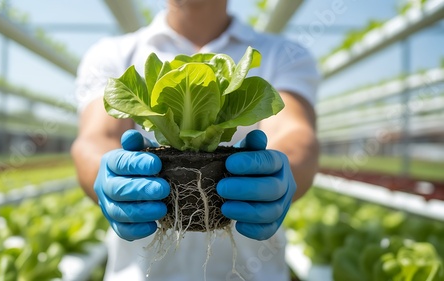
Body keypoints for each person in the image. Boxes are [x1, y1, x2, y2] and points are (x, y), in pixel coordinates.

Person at [71, 0, 320, 280]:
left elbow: (295, 134)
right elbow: (94, 139)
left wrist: (280, 171)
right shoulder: (112, 53)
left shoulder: (284, 54)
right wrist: (107, 174)